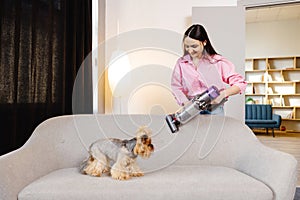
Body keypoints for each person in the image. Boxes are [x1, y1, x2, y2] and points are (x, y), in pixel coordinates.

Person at [171, 24, 247, 115]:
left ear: (204, 42)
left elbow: (240, 83)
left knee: (215, 129)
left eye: (194, 46)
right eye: (187, 46)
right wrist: (186, 103)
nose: (190, 50)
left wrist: (223, 94)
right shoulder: (181, 63)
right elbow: (176, 87)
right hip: (192, 109)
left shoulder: (216, 61)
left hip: (215, 109)